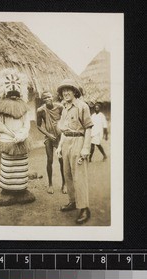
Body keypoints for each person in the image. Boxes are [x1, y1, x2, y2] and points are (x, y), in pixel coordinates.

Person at [0, 68, 35, 206]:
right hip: (8, 141)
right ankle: (7, 190)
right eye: (11, 93)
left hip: (21, 141)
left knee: (21, 165)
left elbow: (26, 125)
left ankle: (21, 190)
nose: (14, 96)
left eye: (16, 93)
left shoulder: (24, 108)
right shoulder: (1, 108)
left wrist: (22, 135)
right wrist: (13, 134)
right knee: (8, 166)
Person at [56, 79, 93, 225]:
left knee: (79, 177)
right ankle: (72, 201)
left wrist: (86, 148)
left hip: (78, 142)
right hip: (66, 142)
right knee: (68, 174)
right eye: (63, 90)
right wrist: (59, 146)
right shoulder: (65, 108)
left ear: (74, 91)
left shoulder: (82, 106)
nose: (65, 92)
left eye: (68, 90)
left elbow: (88, 128)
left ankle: (84, 208)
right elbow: (64, 130)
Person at [37, 91, 66, 194]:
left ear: (52, 97)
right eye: (44, 98)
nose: (47, 99)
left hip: (60, 137)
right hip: (49, 137)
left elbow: (65, 120)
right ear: (43, 100)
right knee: (49, 160)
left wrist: (60, 126)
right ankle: (50, 184)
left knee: (62, 160)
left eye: (48, 97)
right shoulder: (41, 110)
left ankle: (64, 184)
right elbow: (38, 126)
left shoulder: (60, 107)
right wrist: (48, 135)